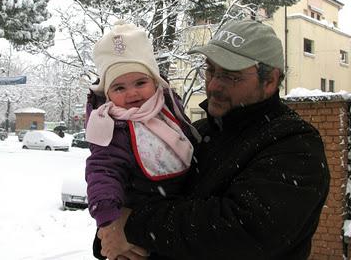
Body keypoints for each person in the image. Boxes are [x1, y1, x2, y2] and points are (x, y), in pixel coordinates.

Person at [97, 19, 330, 260]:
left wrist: (133, 225)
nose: (214, 85)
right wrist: (110, 229)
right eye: (210, 70)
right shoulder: (195, 132)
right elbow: (140, 190)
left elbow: (242, 230)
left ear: (270, 80)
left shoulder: (295, 145)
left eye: (231, 76)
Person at [85, 20, 198, 259]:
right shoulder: (111, 127)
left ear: (155, 82)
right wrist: (107, 218)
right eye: (119, 88)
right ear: (107, 94)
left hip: (175, 219)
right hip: (136, 221)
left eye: (140, 83)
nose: (132, 93)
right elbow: (103, 170)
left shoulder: (170, 110)